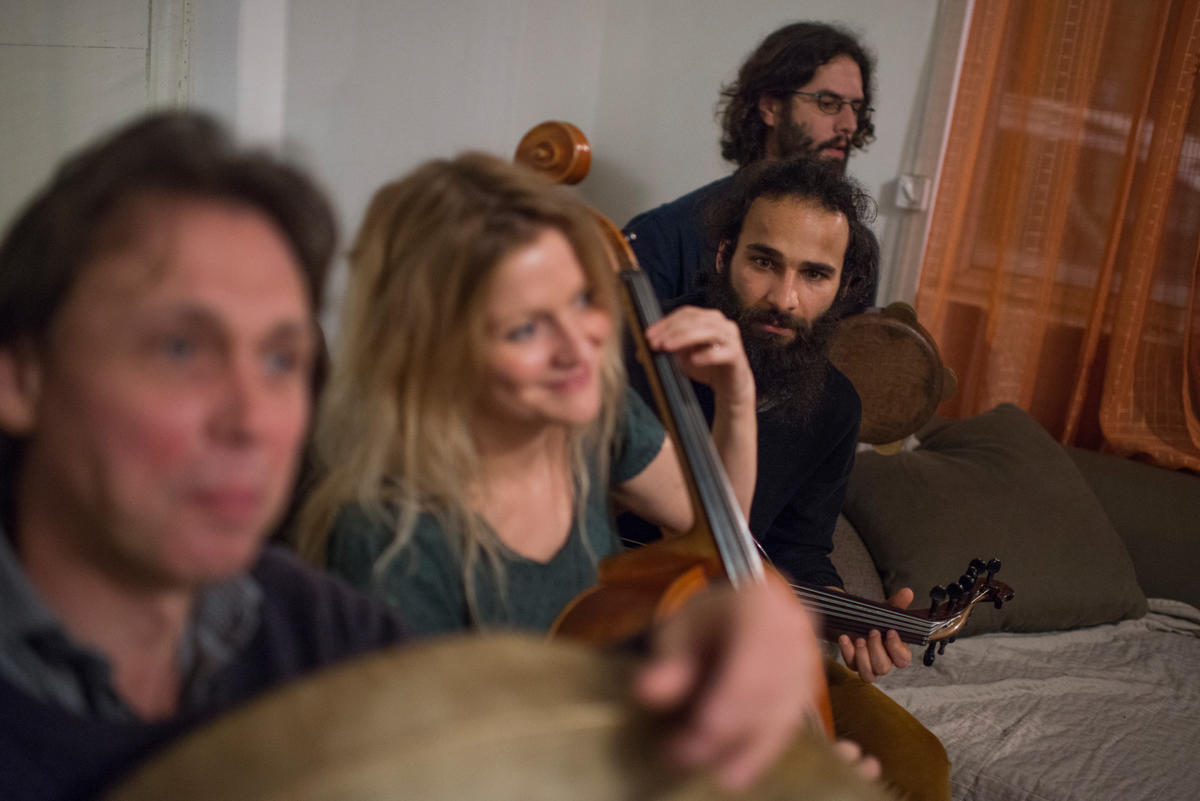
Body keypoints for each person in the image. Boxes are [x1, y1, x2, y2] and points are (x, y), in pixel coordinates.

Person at [0, 112, 861, 800]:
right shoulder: (381, 545)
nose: (255, 417)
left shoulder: (299, 621)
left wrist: (707, 677)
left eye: (280, 357)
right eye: (179, 348)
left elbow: (497, 721)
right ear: (20, 373)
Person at [622, 155, 951, 801]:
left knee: (914, 767)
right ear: (723, 256)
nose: (784, 298)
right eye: (763, 262)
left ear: (846, 286)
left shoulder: (834, 405)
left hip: (749, 632)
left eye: (814, 274)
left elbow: (799, 548)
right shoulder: (644, 358)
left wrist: (849, 618)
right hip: (629, 630)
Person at [625, 21, 879, 306]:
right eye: (828, 103)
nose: (849, 125)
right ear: (771, 107)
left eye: (855, 107)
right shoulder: (663, 237)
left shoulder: (853, 245)